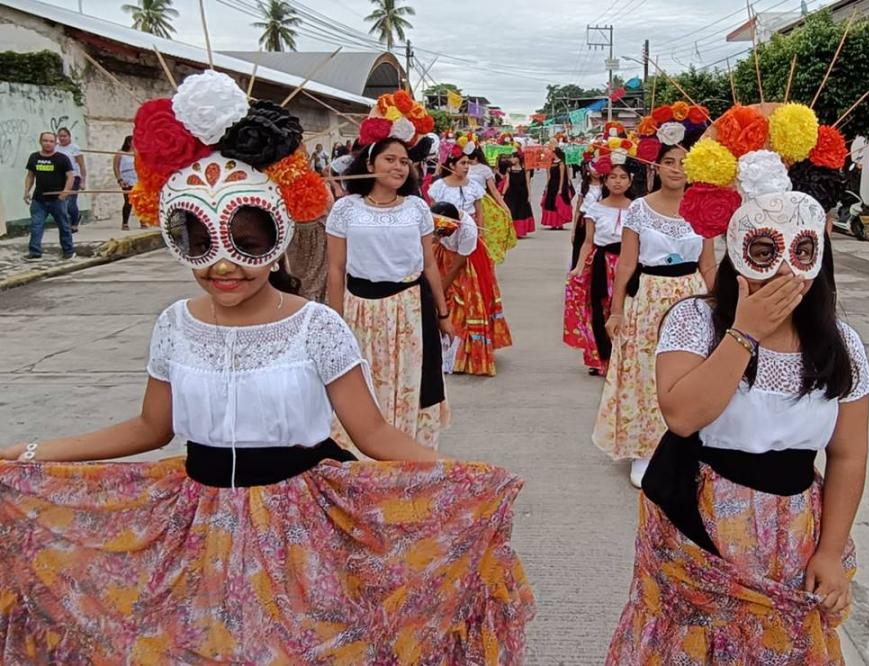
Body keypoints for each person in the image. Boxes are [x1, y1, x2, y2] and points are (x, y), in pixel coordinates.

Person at [0, 71, 533, 662]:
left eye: (247, 240)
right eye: (198, 238)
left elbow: (374, 434)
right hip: (197, 527)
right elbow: (149, 429)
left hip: (300, 530)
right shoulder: (175, 324)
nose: (224, 265)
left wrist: (466, 476)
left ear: (276, 238)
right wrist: (31, 453)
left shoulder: (317, 326)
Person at [607, 188, 869, 663]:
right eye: (766, 251)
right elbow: (683, 416)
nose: (786, 270)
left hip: (791, 531)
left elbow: (848, 453)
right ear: (737, 248)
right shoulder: (695, 320)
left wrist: (830, 551)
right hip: (700, 519)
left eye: (803, 251)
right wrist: (744, 333)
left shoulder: (840, 344)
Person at [592, 143, 713, 487]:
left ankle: (685, 449)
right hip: (649, 298)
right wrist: (616, 311)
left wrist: (723, 307)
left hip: (692, 297)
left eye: (684, 162)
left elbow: (708, 264)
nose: (677, 168)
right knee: (647, 373)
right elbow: (627, 263)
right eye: (669, 162)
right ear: (655, 167)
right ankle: (645, 450)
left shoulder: (704, 207)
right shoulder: (640, 209)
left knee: (691, 374)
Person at [326, 128, 454, 450]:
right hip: (360, 310)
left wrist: (443, 313)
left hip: (410, 309)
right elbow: (336, 268)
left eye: (404, 161)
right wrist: (335, 321)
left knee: (409, 381)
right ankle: (362, 455)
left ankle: (407, 451)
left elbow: (428, 265)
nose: (399, 167)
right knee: (363, 382)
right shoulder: (346, 209)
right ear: (370, 163)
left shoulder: (417, 208)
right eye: (390, 159)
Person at [563, 161, 634, 376]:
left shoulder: (638, 208)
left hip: (629, 263)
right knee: (600, 308)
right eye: (613, 177)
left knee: (626, 308)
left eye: (622, 177)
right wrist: (578, 267)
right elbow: (588, 242)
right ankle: (600, 358)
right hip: (602, 263)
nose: (618, 181)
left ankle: (625, 357)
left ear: (630, 181)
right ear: (605, 180)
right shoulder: (595, 208)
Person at [431, 201, 512, 376]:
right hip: (443, 254)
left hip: (467, 261)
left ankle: (460, 356)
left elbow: (457, 266)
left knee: (465, 302)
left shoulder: (468, 230)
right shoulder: (435, 222)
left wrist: (440, 290)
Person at [23, 131, 75, 262]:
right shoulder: (34, 157)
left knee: (63, 225)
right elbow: (30, 176)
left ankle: (68, 251)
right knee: (36, 225)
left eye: (51, 141)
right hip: (39, 199)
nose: (48, 143)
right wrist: (26, 191)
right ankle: (35, 252)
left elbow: (70, 176)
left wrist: (65, 192)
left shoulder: (62, 158)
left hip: (58, 199)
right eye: (45, 141)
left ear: (55, 143)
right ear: (40, 142)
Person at [467, 147, 517, 264]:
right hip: (466, 201)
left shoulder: (485, 169)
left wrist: (505, 207)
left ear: (474, 156)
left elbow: (494, 191)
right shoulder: (462, 168)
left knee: (485, 232)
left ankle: (486, 259)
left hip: (483, 203)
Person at [571, 161, 603, 268]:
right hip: (584, 221)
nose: (597, 171)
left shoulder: (606, 186)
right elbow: (578, 208)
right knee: (580, 249)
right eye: (594, 168)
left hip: (600, 222)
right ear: (589, 169)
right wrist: (574, 230)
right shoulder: (583, 185)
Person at [56, 127, 86, 233]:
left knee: (71, 202)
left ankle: (74, 222)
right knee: (61, 201)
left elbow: (82, 165)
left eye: (64, 136)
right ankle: (66, 223)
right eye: (60, 136)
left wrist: (83, 181)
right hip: (60, 178)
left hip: (74, 177)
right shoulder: (55, 148)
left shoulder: (74, 148)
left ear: (69, 137)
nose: (62, 138)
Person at [501, 151, 535, 239]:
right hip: (511, 193)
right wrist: (503, 194)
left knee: (520, 212)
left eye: (513, 157)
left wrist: (529, 195)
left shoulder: (525, 170)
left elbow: (528, 182)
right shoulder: (509, 169)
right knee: (511, 211)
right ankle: (510, 232)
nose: (511, 159)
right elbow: (507, 183)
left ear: (518, 159)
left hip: (522, 193)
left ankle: (519, 231)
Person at [541, 147, 574, 230]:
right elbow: (549, 176)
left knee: (558, 203)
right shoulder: (551, 163)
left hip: (559, 184)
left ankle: (559, 223)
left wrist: (560, 188)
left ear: (555, 153)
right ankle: (553, 223)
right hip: (552, 184)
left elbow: (562, 177)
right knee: (551, 203)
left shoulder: (561, 163)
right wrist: (547, 186)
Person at [112, 135, 139, 230]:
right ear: (128, 143)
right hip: (126, 177)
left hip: (137, 177)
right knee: (128, 201)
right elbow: (116, 167)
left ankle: (143, 220)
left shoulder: (137, 153)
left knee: (140, 200)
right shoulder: (120, 153)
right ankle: (125, 223)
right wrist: (119, 179)